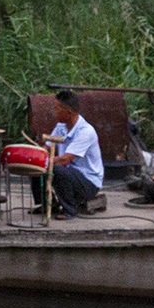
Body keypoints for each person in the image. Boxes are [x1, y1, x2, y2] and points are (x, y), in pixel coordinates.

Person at [34, 88, 104, 217]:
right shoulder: (61, 126)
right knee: (34, 166)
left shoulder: (86, 131)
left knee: (56, 168)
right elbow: (47, 146)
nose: (55, 112)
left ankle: (70, 210)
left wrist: (43, 161)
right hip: (71, 174)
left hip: (88, 181)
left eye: (57, 109)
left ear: (68, 112)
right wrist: (36, 156)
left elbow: (65, 160)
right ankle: (46, 203)